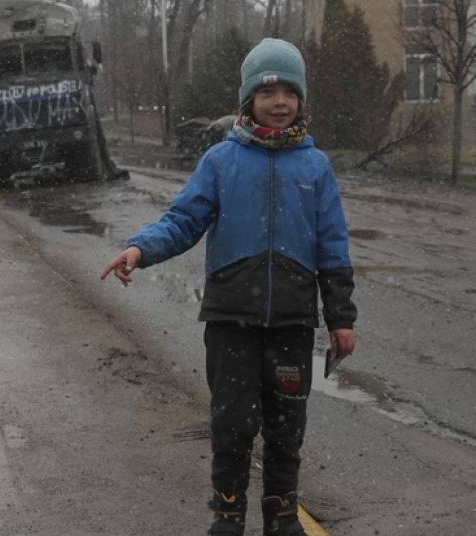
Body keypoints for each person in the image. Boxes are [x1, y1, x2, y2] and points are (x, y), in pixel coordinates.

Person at [100, 38, 357, 536]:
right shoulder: (221, 161)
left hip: (292, 323)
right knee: (232, 424)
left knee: (286, 428)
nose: (280, 102)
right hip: (230, 322)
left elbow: (333, 247)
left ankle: (282, 516)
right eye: (268, 92)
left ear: (301, 100)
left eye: (290, 92)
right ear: (248, 100)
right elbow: (183, 220)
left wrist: (341, 319)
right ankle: (228, 514)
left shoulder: (315, 167)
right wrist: (140, 249)